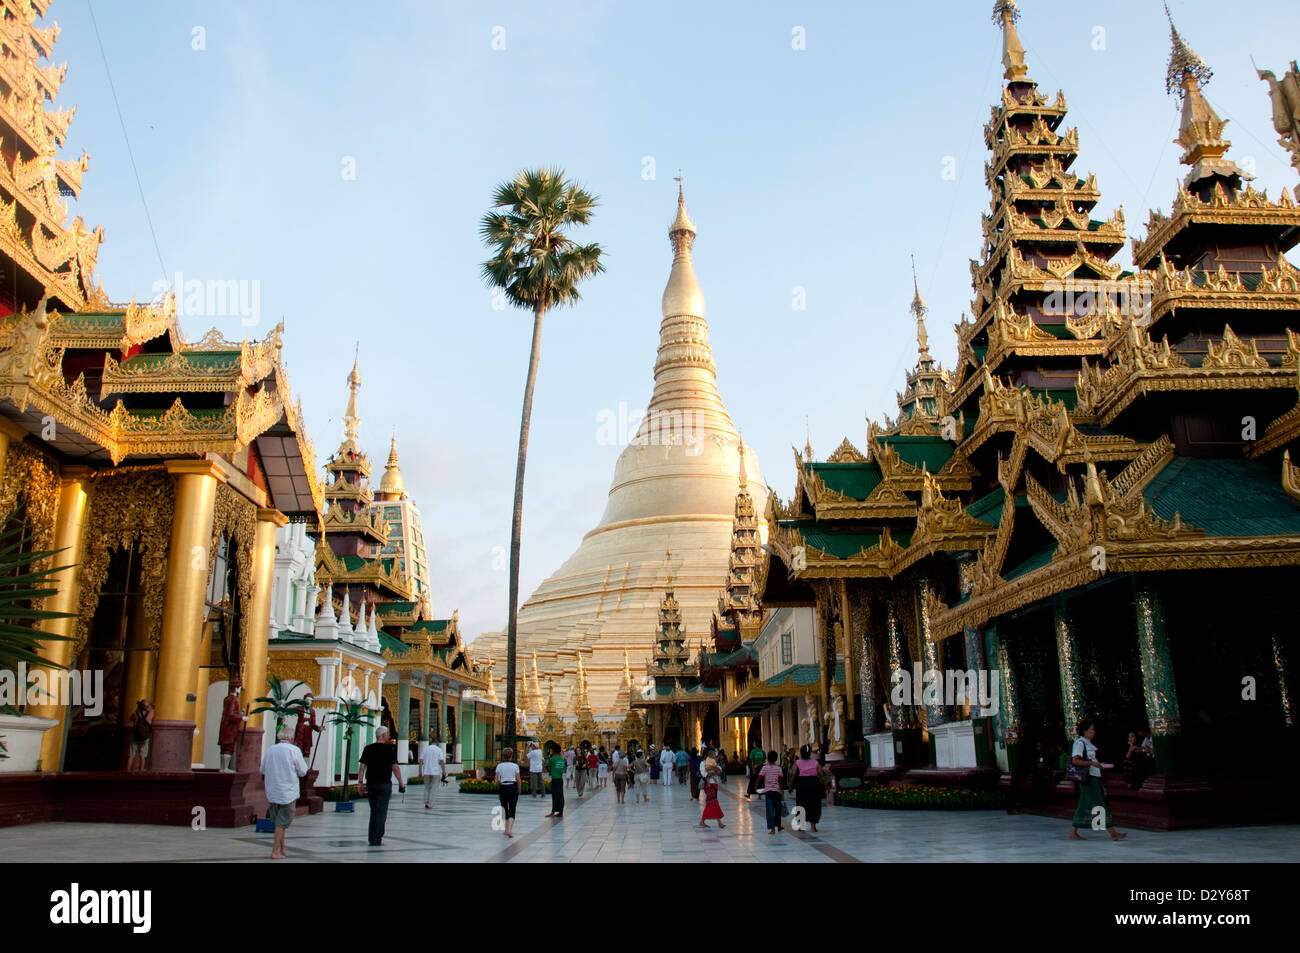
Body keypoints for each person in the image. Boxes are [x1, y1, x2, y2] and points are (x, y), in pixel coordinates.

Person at [1070, 720, 1126, 842]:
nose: (1093, 732)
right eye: (1091, 729)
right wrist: (1092, 763)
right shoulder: (1079, 743)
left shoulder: (1088, 743)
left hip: (1094, 776)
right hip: (1088, 778)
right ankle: (1112, 833)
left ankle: (1073, 831)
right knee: (1099, 803)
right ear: (1084, 731)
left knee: (1085, 803)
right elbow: (1075, 760)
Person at [260, 725, 308, 859]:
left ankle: (283, 847)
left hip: (273, 791)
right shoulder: (294, 750)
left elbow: (262, 769)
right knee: (282, 823)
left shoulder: (270, 750)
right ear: (291, 738)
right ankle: (275, 851)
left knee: (279, 823)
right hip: (288, 792)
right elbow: (303, 771)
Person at [357, 726, 405, 846]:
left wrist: (360, 783)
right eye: (388, 734)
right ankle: (377, 839)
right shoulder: (389, 750)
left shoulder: (368, 749)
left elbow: (362, 766)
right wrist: (401, 783)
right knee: (381, 812)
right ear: (383, 735)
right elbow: (395, 768)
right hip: (384, 785)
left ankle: (372, 837)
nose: (389, 736)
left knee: (374, 811)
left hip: (371, 784)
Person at [790, 744, 825, 833]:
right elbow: (821, 774)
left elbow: (793, 774)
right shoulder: (815, 762)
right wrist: (826, 785)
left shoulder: (797, 762)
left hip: (802, 784)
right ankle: (813, 827)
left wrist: (790, 786)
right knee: (814, 804)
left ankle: (802, 826)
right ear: (809, 753)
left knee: (801, 804)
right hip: (813, 783)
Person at [495, 748, 521, 838]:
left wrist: (501, 782)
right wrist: (519, 789)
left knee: (505, 809)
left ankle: (506, 830)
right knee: (512, 809)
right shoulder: (515, 766)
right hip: (512, 787)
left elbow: (496, 780)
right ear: (511, 756)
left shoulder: (499, 766)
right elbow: (518, 779)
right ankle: (509, 830)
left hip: (503, 788)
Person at [758, 750, 786, 834]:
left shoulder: (764, 768)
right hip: (777, 791)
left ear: (767, 758)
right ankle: (779, 825)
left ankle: (772, 828)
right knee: (777, 809)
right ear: (776, 758)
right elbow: (780, 780)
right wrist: (782, 791)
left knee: (770, 810)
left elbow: (760, 777)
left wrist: (756, 786)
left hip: (768, 792)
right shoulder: (778, 768)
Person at [698, 747, 725, 829]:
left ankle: (703, 821)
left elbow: (719, 770)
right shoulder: (703, 763)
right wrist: (715, 771)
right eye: (712, 754)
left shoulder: (713, 763)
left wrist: (713, 769)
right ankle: (719, 822)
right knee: (713, 802)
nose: (714, 755)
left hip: (715, 784)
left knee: (711, 802)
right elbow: (706, 774)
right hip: (709, 784)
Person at [420, 735, 446, 809]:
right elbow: (441, 761)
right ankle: (430, 804)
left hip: (426, 772)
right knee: (434, 788)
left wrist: (420, 772)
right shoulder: (438, 750)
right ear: (437, 743)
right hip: (435, 772)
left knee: (427, 787)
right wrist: (444, 771)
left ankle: (426, 802)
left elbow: (421, 761)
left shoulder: (425, 749)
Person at [128, 699, 152, 772]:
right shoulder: (150, 713)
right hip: (145, 736)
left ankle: (128, 770)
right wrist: (150, 704)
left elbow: (130, 719)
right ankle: (141, 771)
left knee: (131, 754)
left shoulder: (135, 713)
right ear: (147, 707)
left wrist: (137, 708)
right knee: (143, 755)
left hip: (135, 735)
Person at [545, 742, 566, 818]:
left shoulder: (552, 759)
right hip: (560, 779)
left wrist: (550, 771)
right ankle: (561, 811)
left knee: (554, 795)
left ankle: (553, 811)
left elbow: (547, 766)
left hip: (554, 779)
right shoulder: (562, 758)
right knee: (560, 795)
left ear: (554, 750)